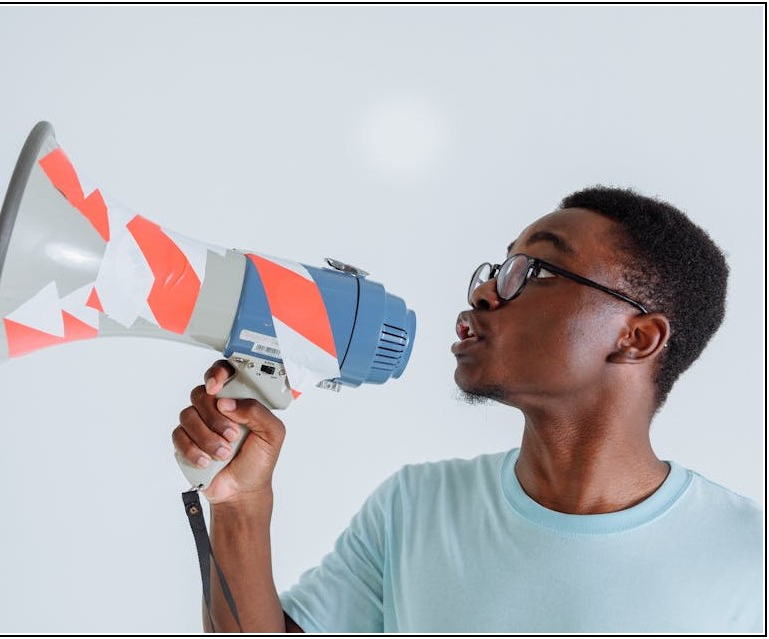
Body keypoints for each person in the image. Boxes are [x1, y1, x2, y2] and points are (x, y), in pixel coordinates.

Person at [171, 186, 764, 633]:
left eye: (533, 271)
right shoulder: (415, 507)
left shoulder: (749, 558)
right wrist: (242, 505)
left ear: (637, 338)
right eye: (498, 268)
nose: (485, 291)